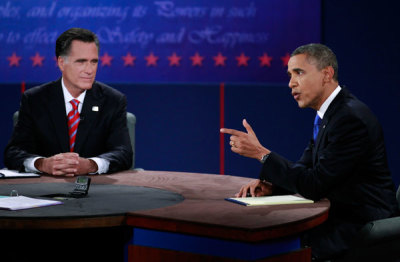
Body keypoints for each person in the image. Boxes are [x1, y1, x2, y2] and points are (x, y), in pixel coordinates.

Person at [220, 43, 399, 260]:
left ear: (326, 74)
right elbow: (305, 167)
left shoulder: (350, 119)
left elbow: (314, 185)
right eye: (289, 75)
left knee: (278, 248)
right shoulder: (329, 116)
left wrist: (262, 154)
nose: (291, 83)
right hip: (341, 214)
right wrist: (271, 187)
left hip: (360, 223)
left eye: (299, 73)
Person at [4, 28, 132, 176]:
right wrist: (42, 164)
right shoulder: (35, 99)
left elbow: (124, 153)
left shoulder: (113, 100)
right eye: (81, 62)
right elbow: (13, 152)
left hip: (96, 190)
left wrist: (91, 165)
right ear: (61, 63)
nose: (89, 70)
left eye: (94, 62)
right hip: (45, 188)